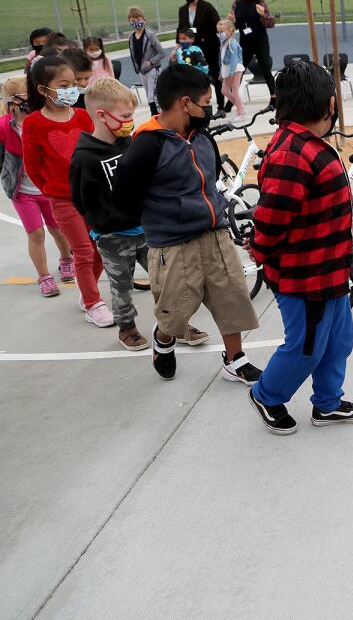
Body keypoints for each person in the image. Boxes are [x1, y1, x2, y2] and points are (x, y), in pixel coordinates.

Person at [247, 61, 353, 435]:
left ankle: (328, 403)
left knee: (338, 341)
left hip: (330, 269)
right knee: (305, 346)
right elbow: (271, 218)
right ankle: (267, 395)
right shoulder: (292, 151)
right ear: (328, 104)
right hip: (305, 277)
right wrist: (259, 250)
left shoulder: (307, 143)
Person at [112, 64, 262, 383]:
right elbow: (124, 196)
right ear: (185, 103)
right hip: (173, 243)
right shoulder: (146, 145)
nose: (208, 109)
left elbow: (210, 181)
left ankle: (235, 359)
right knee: (176, 311)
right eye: (205, 102)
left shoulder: (202, 137)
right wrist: (161, 219)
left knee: (232, 296)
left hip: (215, 232)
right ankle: (164, 340)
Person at [21, 55, 111, 326]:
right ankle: (94, 303)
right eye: (63, 85)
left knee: (100, 250)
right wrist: (52, 190)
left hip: (92, 198)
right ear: (43, 90)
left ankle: (87, 293)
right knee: (82, 251)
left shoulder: (83, 117)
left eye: (74, 83)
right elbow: (33, 167)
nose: (72, 89)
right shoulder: (34, 124)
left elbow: (97, 153)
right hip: (63, 200)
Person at [70, 78, 150, 351]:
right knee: (122, 287)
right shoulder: (85, 157)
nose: (130, 121)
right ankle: (127, 329)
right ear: (102, 115)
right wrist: (101, 226)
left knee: (167, 278)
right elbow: (81, 201)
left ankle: (174, 323)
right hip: (113, 236)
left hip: (145, 228)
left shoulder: (127, 142)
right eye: (126, 116)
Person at [0, 76, 72, 297]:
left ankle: (67, 260)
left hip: (48, 187)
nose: (34, 98)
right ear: (13, 100)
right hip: (22, 191)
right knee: (36, 234)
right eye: (28, 94)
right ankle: (45, 277)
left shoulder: (42, 119)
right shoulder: (4, 127)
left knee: (58, 229)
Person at [231, 0, 276, 106]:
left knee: (265, 67)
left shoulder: (260, 3)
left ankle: (274, 96)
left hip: (260, 40)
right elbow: (234, 25)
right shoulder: (237, 4)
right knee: (240, 69)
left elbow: (271, 23)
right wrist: (232, 21)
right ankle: (232, 98)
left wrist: (263, 15)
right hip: (245, 41)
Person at [178, 0, 223, 105]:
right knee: (195, 76)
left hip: (209, 46)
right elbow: (180, 28)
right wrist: (177, 46)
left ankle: (221, 104)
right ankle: (199, 102)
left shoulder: (206, 7)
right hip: (192, 48)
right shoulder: (182, 10)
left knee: (213, 74)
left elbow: (217, 23)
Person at [128, 6, 168, 116]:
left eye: (138, 19)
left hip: (152, 69)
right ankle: (154, 115)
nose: (136, 22)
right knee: (148, 94)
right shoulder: (131, 37)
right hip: (142, 70)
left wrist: (150, 62)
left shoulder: (150, 35)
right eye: (133, 20)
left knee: (153, 95)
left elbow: (161, 53)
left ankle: (156, 115)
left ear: (144, 19)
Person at [217, 19, 247, 121]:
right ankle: (240, 107)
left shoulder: (232, 44)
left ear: (230, 31)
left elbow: (234, 60)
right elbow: (222, 59)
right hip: (227, 70)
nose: (221, 34)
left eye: (223, 32)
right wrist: (222, 73)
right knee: (224, 90)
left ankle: (241, 113)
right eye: (219, 32)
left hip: (235, 70)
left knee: (234, 91)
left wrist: (231, 74)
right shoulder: (223, 43)